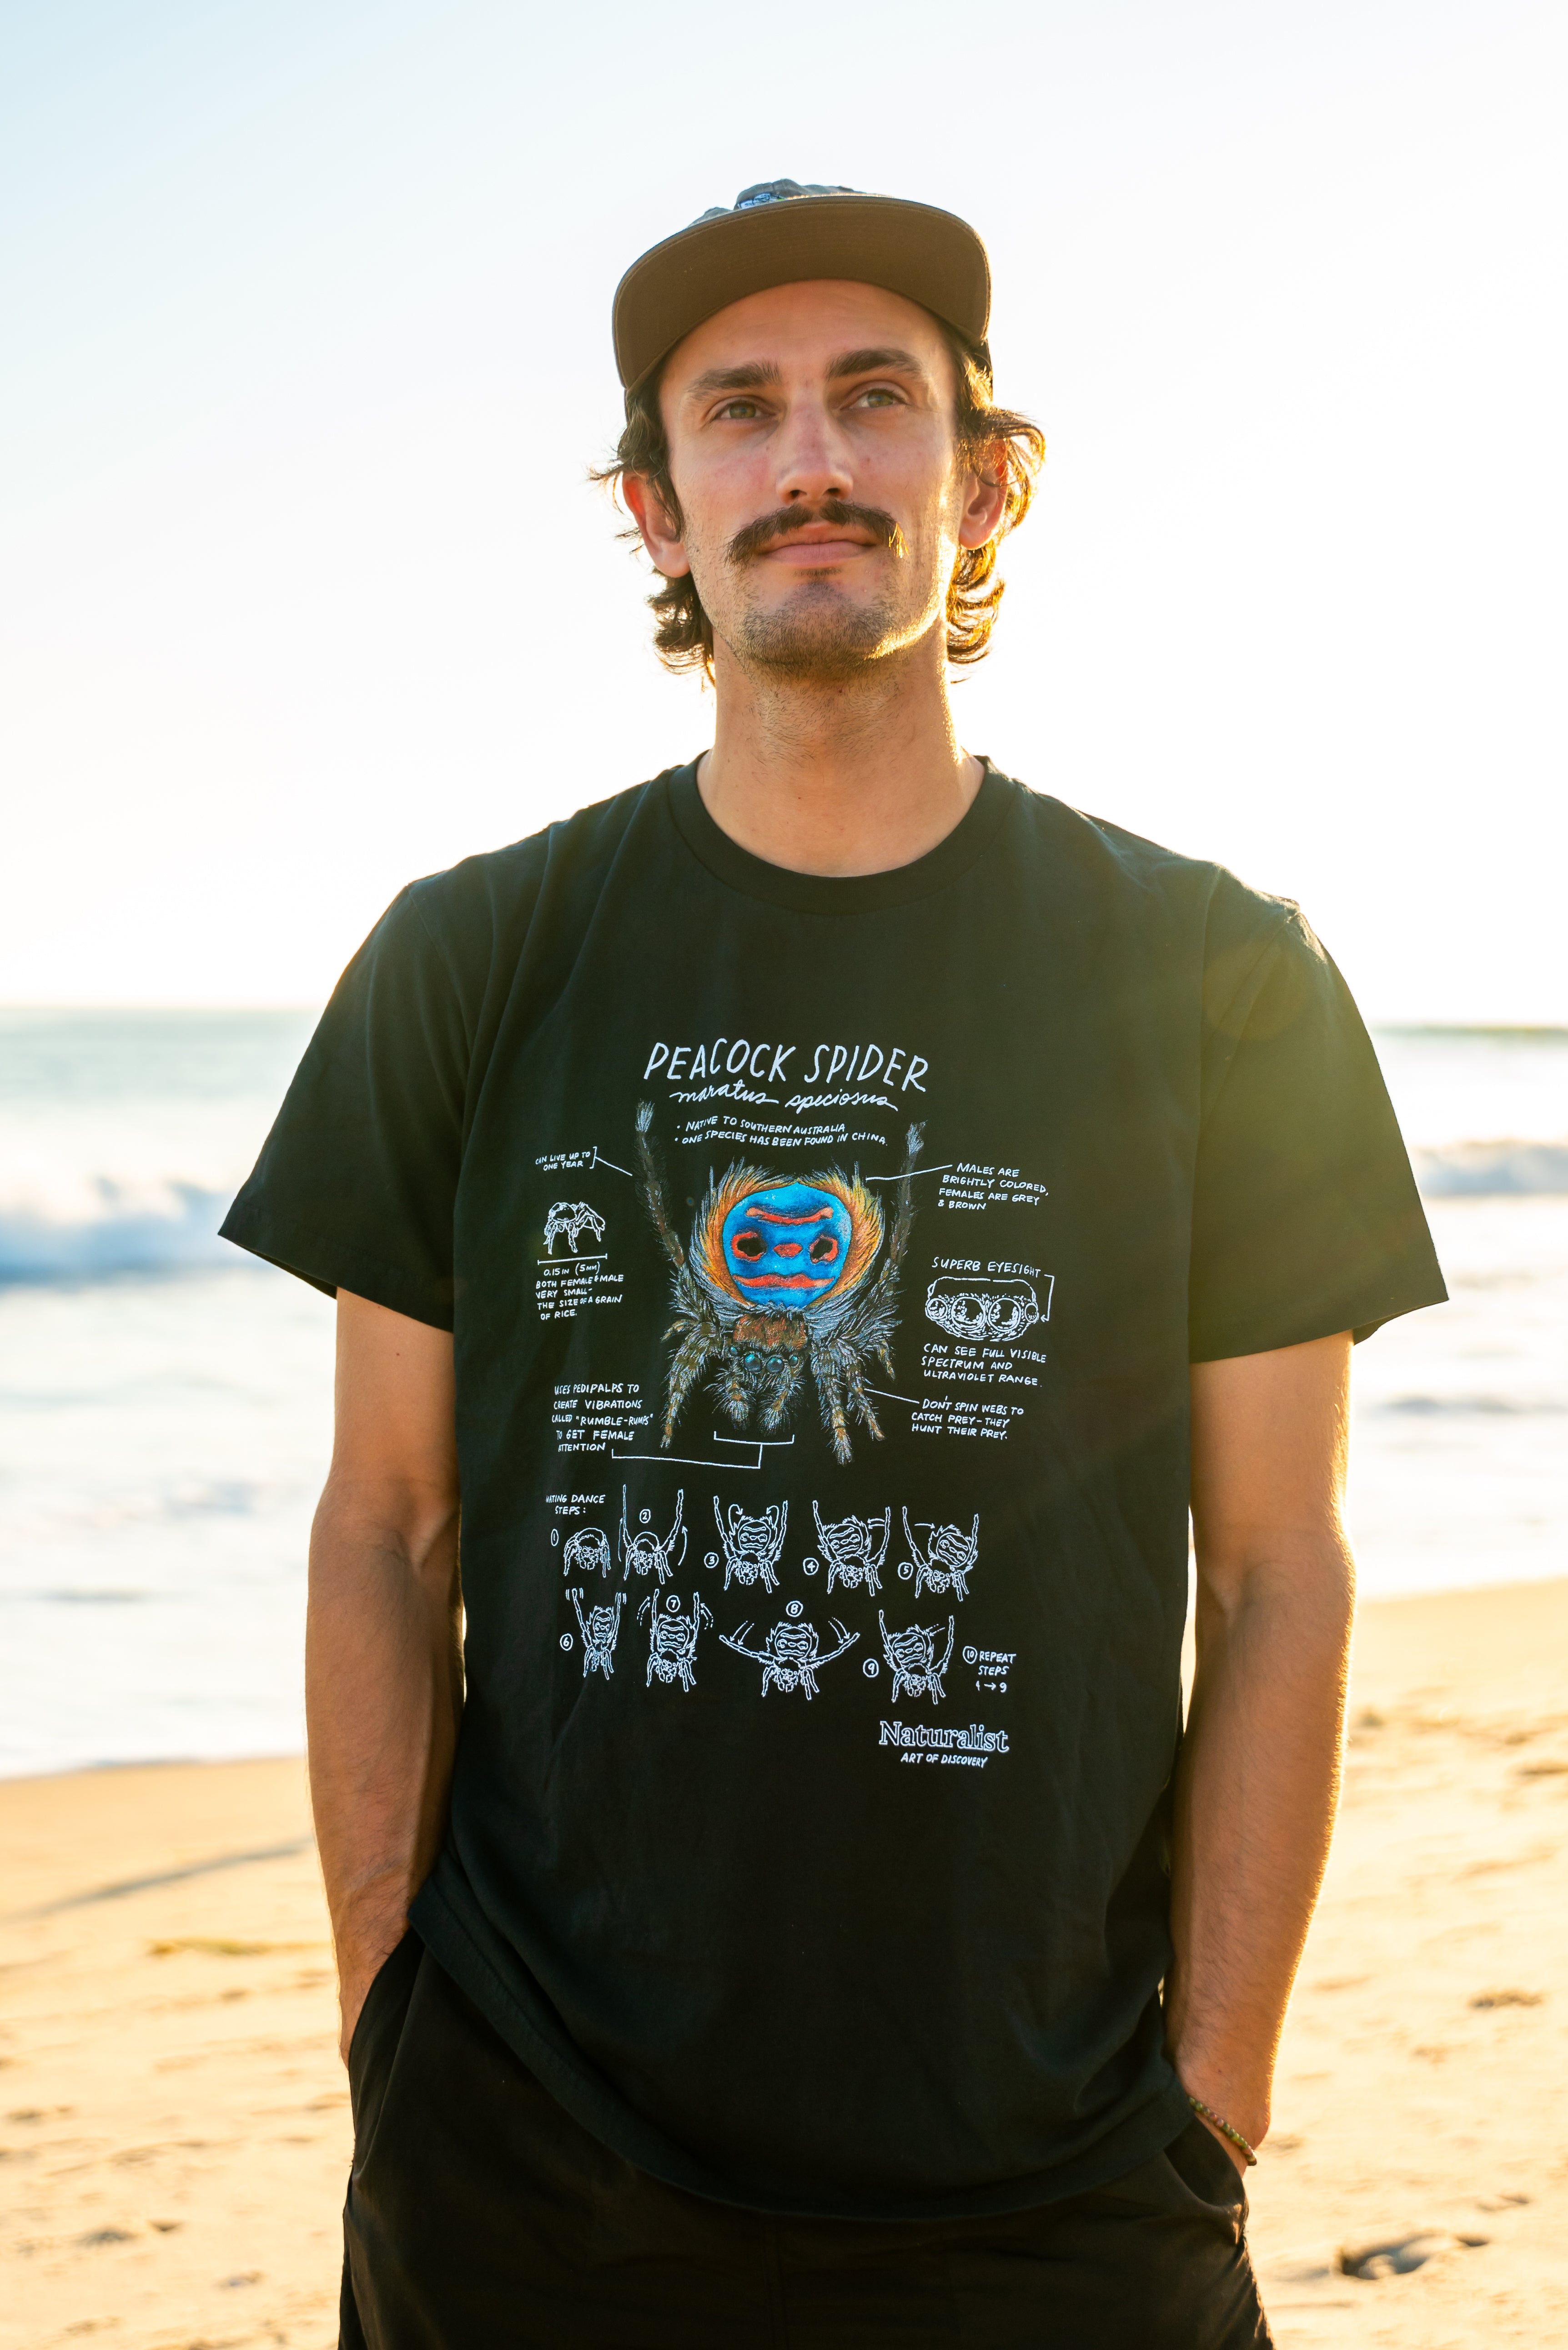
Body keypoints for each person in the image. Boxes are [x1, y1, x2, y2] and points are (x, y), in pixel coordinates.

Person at [222, 180, 1447, 2348]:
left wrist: (1214, 2090)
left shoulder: (1213, 974)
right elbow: (384, 1518)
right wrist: (385, 2008)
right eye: (741, 410)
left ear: (981, 479)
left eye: (876, 400)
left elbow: (1278, 1569)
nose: (810, 459)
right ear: (652, 506)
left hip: (1054, 2159)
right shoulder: (472, 955)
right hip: (526, 2150)